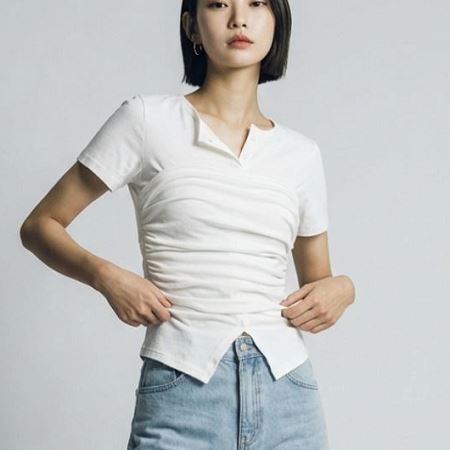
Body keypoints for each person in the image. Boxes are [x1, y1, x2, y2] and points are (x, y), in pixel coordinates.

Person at [20, 0, 355, 448]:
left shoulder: (301, 155)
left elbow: (318, 283)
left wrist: (344, 289)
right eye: (218, 4)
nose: (239, 18)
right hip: (182, 388)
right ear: (191, 27)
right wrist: (106, 277)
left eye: (257, 3)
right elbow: (40, 224)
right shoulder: (147, 121)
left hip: (288, 394)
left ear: (277, 22)